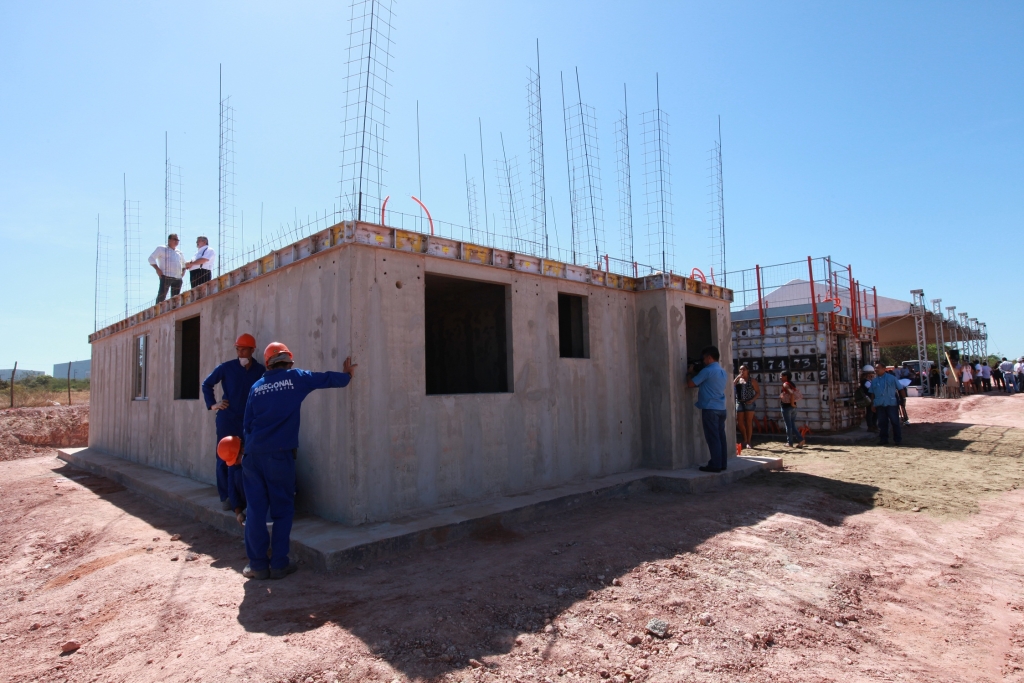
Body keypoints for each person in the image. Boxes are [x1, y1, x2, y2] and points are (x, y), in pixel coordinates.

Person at [241, 342, 357, 580]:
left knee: (255, 511)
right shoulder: (295, 378)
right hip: (279, 455)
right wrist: (346, 376)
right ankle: (280, 563)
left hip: (253, 456)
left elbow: (247, 424)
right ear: (289, 361)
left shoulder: (256, 386)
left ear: (267, 362)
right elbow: (323, 379)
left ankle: (258, 566)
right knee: (282, 510)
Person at [202, 334, 266, 511]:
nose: (240, 353)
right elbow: (206, 384)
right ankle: (226, 497)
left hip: (248, 421)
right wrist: (213, 405)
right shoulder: (226, 368)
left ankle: (244, 496)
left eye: (244, 349)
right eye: (238, 349)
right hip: (228, 420)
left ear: (253, 350)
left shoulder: (260, 371)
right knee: (225, 456)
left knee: (248, 457)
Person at [686, 346, 729, 473]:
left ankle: (715, 465)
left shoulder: (707, 371)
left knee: (713, 438)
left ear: (709, 357)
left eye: (704, 358)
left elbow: (690, 384)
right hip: (721, 408)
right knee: (721, 437)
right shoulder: (722, 371)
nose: (703, 361)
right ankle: (722, 463)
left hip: (710, 409)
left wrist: (689, 372)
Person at [869, 363, 903, 446]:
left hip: (891, 403)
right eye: (875, 368)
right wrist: (872, 404)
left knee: (895, 421)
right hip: (880, 404)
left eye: (878, 368)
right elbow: (872, 393)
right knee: (882, 422)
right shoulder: (874, 381)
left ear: (884, 369)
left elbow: (900, 389)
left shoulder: (892, 378)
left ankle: (897, 439)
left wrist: (903, 400)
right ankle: (883, 439)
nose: (876, 370)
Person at [217, 436, 247, 526]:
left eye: (236, 459)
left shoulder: (256, 457)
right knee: (238, 475)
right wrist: (238, 512)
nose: (236, 463)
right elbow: (232, 488)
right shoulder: (234, 463)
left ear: (243, 449)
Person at [148, 233, 186, 304]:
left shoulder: (179, 252)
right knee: (162, 296)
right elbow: (151, 259)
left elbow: (184, 263)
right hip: (166, 276)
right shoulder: (161, 248)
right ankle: (158, 312)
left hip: (177, 278)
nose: (176, 241)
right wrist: (157, 269)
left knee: (176, 298)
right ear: (169, 240)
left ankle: (174, 310)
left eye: (177, 240)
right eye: (174, 239)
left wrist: (184, 270)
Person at [733, 364, 760, 450]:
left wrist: (752, 400)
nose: (742, 371)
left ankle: (748, 441)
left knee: (748, 422)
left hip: (749, 402)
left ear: (747, 371)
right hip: (739, 402)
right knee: (739, 422)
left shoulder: (752, 380)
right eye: (740, 369)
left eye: (744, 369)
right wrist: (737, 378)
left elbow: (758, 392)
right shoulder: (738, 380)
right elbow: (731, 386)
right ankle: (744, 438)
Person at [779, 371, 804, 447]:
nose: (780, 377)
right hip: (793, 407)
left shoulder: (785, 384)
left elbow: (791, 393)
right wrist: (793, 404)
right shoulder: (791, 383)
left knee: (788, 425)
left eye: (781, 376)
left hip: (787, 407)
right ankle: (800, 439)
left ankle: (790, 442)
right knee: (792, 425)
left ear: (786, 376)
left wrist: (791, 403)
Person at [855, 365, 877, 432]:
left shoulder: (867, 381)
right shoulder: (865, 382)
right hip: (870, 399)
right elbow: (872, 389)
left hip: (871, 398)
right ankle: (871, 426)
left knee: (874, 413)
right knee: (870, 413)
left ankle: (873, 425)